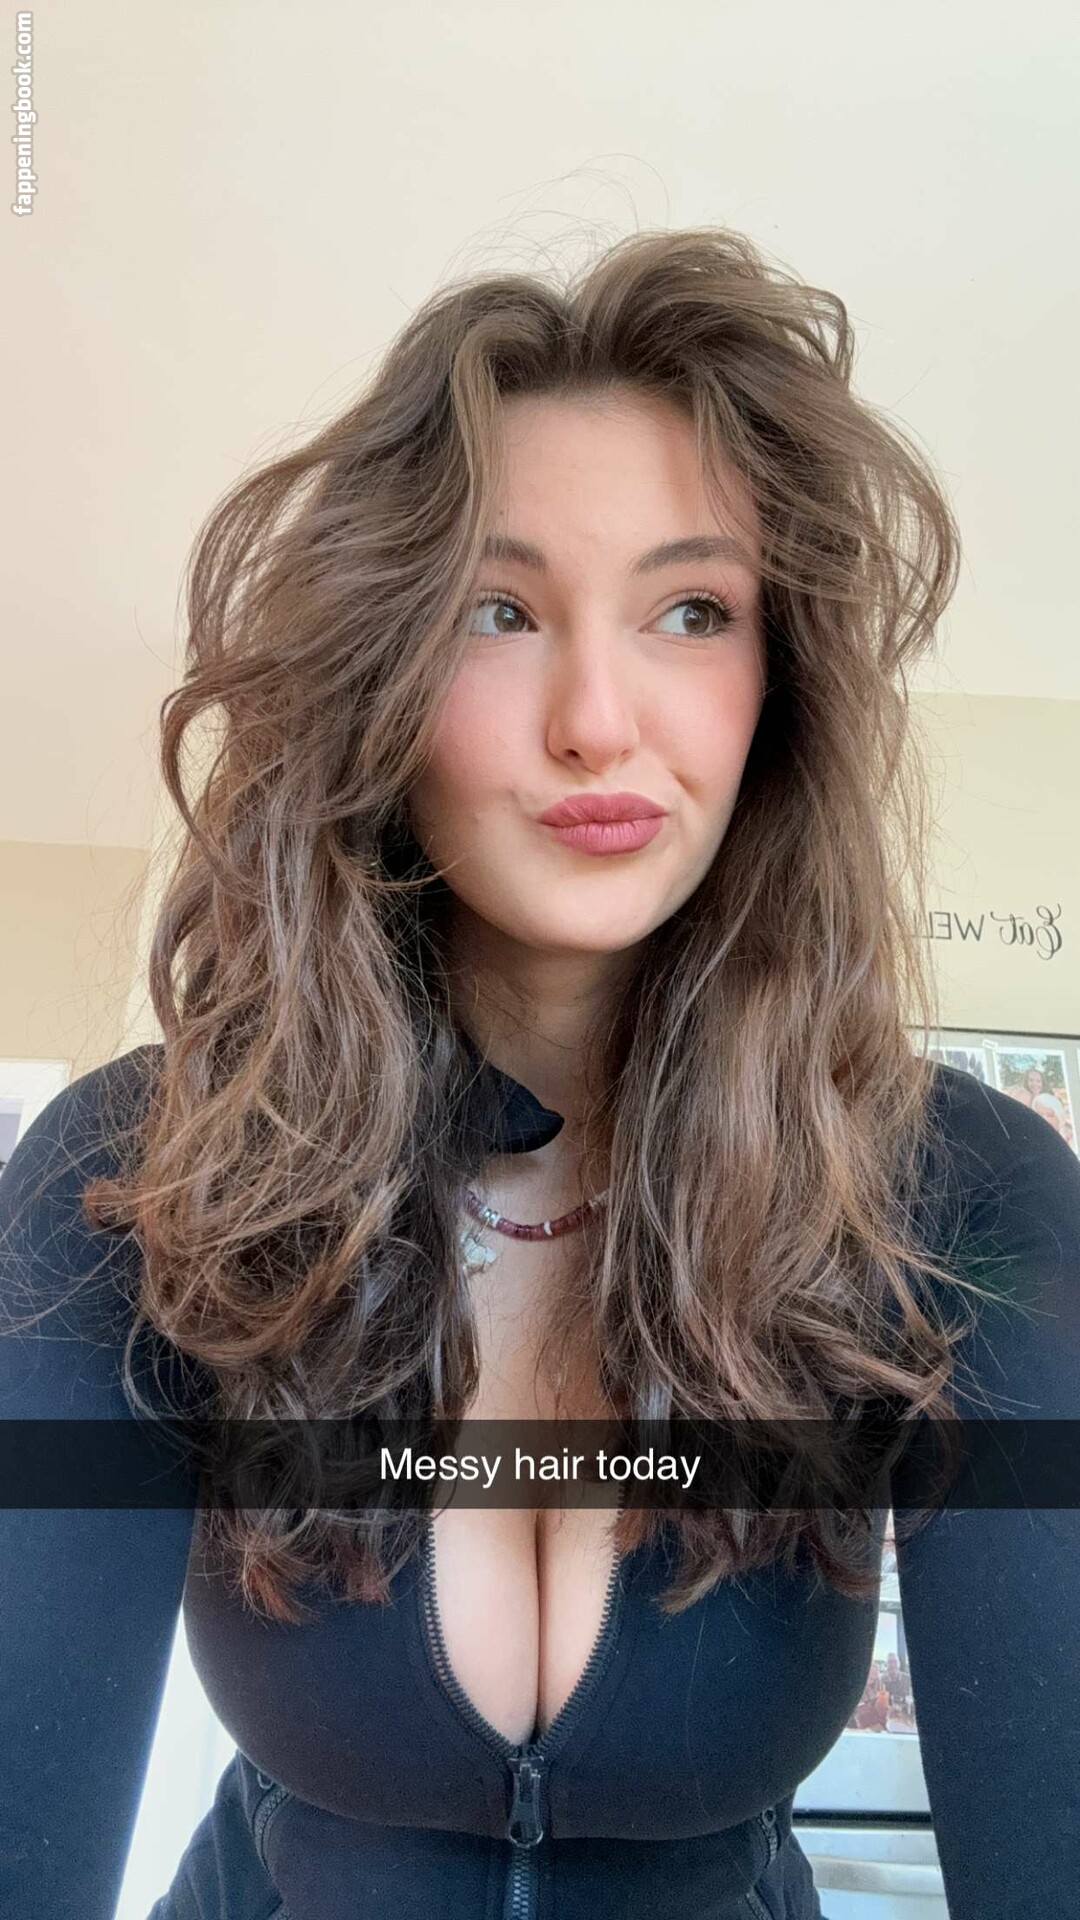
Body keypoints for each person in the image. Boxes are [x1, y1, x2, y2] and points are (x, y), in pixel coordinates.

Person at [2, 226, 1078, 1920]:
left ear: (774, 687)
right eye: (498, 610)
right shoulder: (139, 1177)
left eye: (692, 611)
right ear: (379, 673)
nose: (598, 718)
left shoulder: (956, 1198)